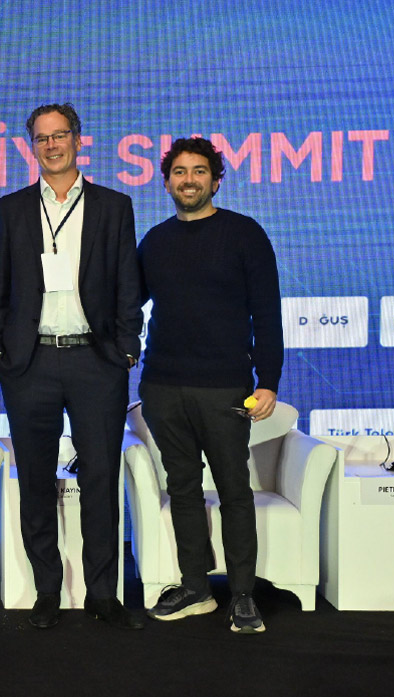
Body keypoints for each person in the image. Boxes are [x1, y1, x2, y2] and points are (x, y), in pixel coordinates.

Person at [0, 103, 143, 631]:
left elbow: (127, 282)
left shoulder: (114, 205)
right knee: (34, 479)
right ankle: (47, 589)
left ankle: (102, 592)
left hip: (96, 361)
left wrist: (126, 348)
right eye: (42, 138)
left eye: (60, 135)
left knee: (100, 477)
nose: (51, 145)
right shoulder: (13, 207)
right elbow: (3, 284)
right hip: (30, 362)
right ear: (32, 146)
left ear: (78, 139)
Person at [137, 137, 283, 634]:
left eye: (199, 171)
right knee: (182, 488)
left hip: (225, 389)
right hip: (162, 387)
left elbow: (267, 313)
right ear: (167, 182)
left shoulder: (244, 234)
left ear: (216, 180)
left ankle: (242, 595)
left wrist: (269, 381)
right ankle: (196, 588)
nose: (189, 180)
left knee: (234, 490)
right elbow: (127, 303)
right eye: (179, 172)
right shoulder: (155, 241)